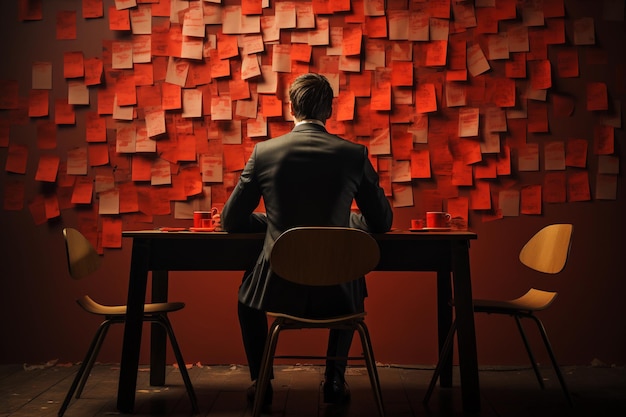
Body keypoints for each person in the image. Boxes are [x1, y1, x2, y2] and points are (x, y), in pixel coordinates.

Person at [220, 73, 393, 409]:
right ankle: (333, 380)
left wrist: (273, 224)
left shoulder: (264, 152)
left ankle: (261, 381)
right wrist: (345, 222)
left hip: (278, 287)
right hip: (338, 293)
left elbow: (230, 221)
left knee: (246, 296)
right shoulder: (353, 154)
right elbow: (382, 222)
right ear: (329, 109)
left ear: (291, 108)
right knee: (351, 277)